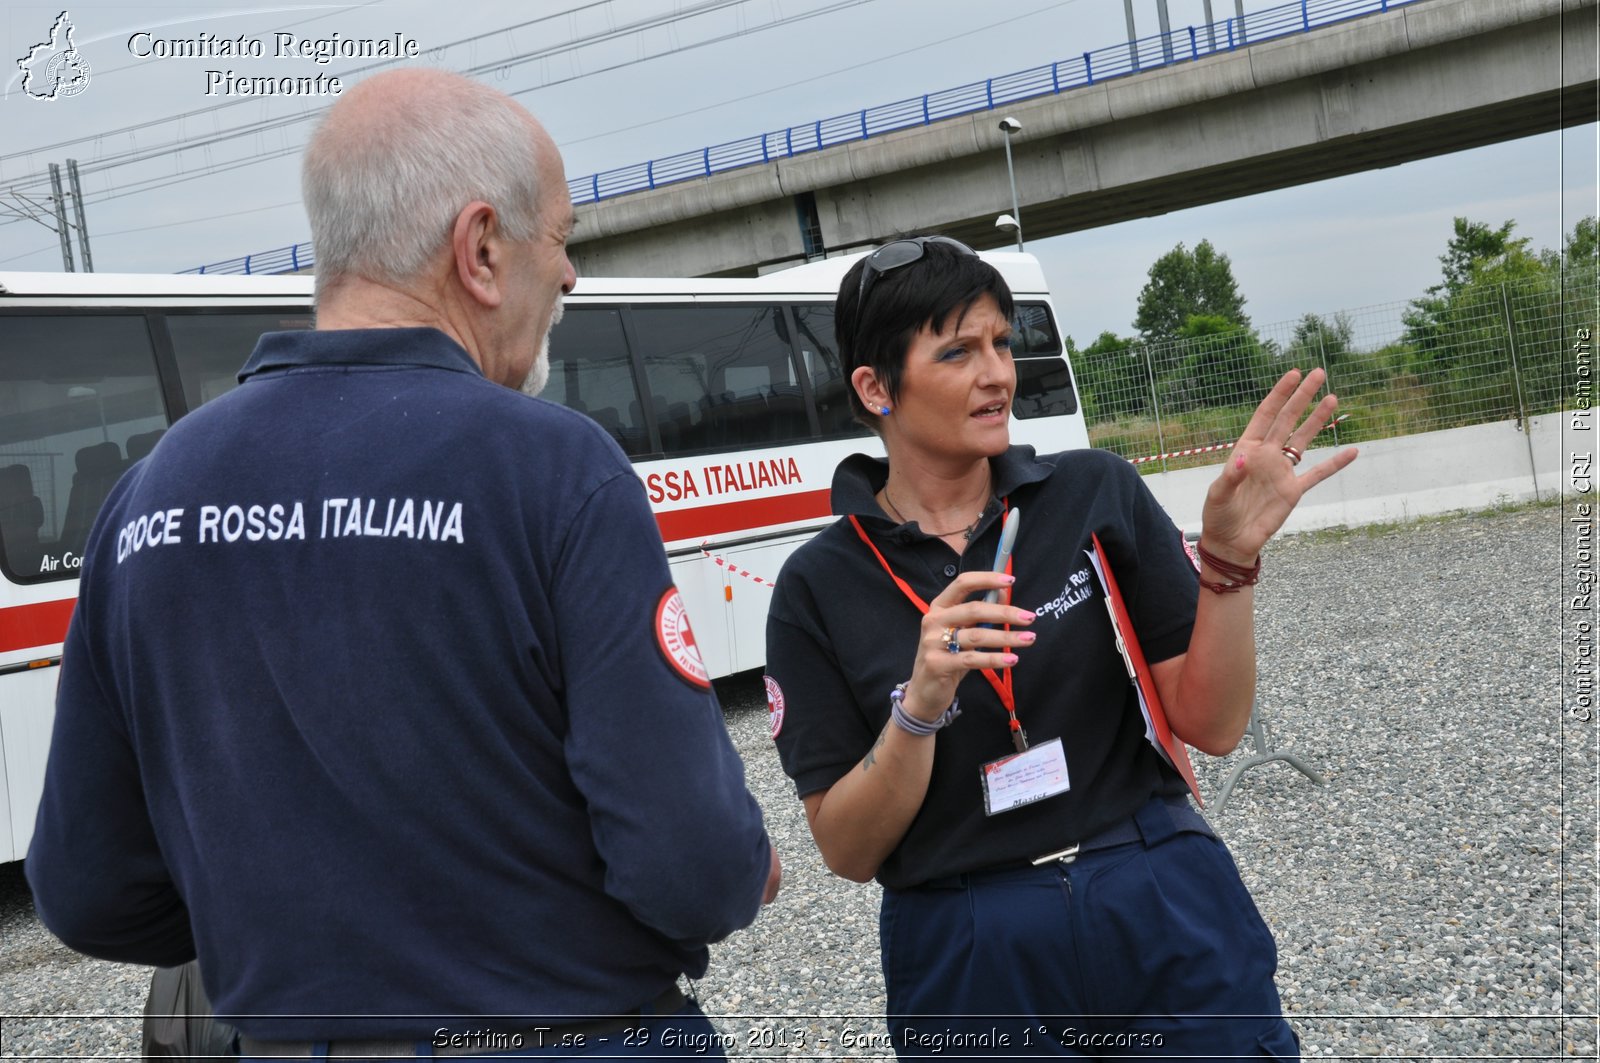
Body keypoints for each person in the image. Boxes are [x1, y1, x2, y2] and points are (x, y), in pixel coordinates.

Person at [26, 68, 780, 1060]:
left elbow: (86, 889)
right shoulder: (553, 468)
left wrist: (306, 948)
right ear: (478, 248)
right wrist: (742, 863)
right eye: (558, 239)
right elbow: (692, 865)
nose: (568, 278)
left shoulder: (146, 499)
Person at [765, 236, 1355, 1059]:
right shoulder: (816, 587)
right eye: (958, 351)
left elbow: (1212, 726)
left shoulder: (1092, 492)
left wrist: (1228, 566)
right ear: (875, 387)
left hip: (1152, 886)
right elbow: (847, 847)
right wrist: (919, 707)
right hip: (969, 946)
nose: (999, 373)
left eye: (1002, 343)